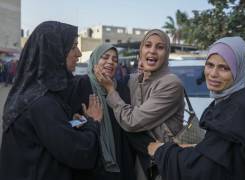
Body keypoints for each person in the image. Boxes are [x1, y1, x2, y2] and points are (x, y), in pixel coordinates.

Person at [148, 36, 245, 180]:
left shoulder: (238, 110)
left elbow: (204, 169)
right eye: (210, 65)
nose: (213, 74)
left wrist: (161, 151)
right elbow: (222, 153)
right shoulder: (235, 100)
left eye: (224, 68)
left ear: (238, 70)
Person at [0, 21, 103, 180]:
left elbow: (47, 136)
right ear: (54, 50)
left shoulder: (30, 95)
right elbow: (79, 151)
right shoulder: (42, 103)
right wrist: (92, 122)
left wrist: (71, 123)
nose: (79, 53)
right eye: (73, 46)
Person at [95, 29, 185, 179]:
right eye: (147, 45)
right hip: (139, 167)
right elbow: (115, 83)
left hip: (162, 168)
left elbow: (132, 121)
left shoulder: (171, 84)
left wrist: (110, 90)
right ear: (141, 50)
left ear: (167, 53)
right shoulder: (136, 80)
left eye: (160, 47)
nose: (152, 51)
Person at [70, 44, 154, 180]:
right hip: (91, 166)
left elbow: (128, 121)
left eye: (115, 60)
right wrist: (86, 120)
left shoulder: (120, 89)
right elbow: (69, 124)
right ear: (95, 60)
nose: (110, 62)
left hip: (121, 162)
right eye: (105, 57)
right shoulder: (80, 85)